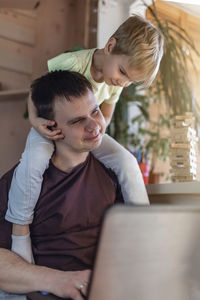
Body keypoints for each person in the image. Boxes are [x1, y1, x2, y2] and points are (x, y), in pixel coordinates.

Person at [6, 15, 164, 263]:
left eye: (130, 80)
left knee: (128, 162)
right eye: (122, 72)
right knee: (34, 161)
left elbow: (107, 112)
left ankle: (142, 228)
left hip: (90, 131)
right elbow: (39, 90)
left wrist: (98, 134)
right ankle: (19, 231)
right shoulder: (73, 62)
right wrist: (36, 122)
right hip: (51, 126)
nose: (122, 81)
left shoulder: (117, 80)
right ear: (110, 46)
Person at [0, 70, 124, 299]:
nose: (94, 126)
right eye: (77, 121)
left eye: (95, 111)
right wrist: (59, 281)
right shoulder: (19, 184)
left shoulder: (114, 176)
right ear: (49, 127)